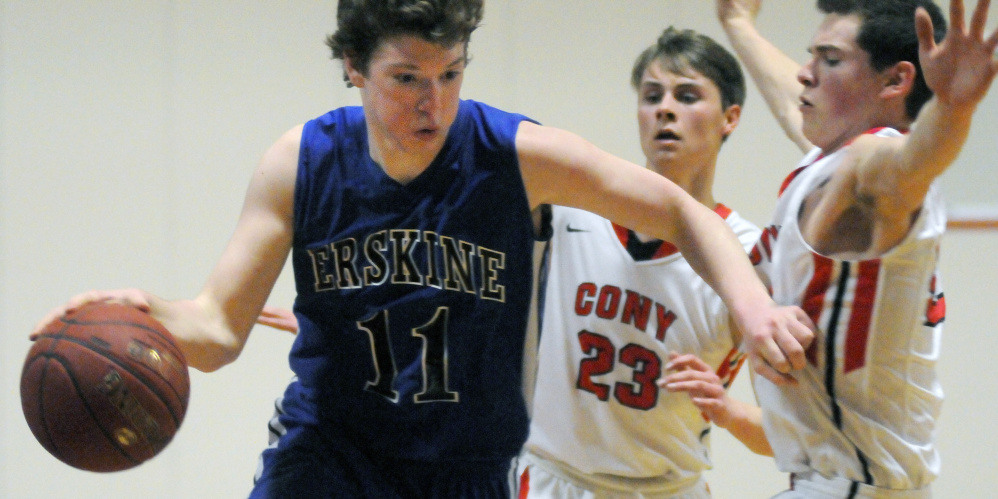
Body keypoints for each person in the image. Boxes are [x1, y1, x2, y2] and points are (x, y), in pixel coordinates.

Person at [30, 1, 816, 497]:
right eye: (406, 77)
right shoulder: (301, 161)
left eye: (450, 74)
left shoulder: (513, 152)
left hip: (466, 465)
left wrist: (750, 306)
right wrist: (145, 313)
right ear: (352, 66)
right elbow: (218, 329)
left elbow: (679, 208)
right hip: (332, 451)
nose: (432, 101)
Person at [664, 0, 998, 497]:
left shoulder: (874, 165)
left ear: (893, 82)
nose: (804, 74)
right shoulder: (828, 162)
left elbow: (913, 161)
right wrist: (739, 23)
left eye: (831, 60)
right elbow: (787, 96)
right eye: (811, 55)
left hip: (852, 486)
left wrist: (953, 109)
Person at [513, 27, 771, 499]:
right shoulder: (571, 210)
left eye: (687, 95)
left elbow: (791, 436)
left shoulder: (749, 254)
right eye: (652, 96)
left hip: (669, 488)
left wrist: (728, 410)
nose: (665, 108)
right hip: (558, 479)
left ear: (730, 117)